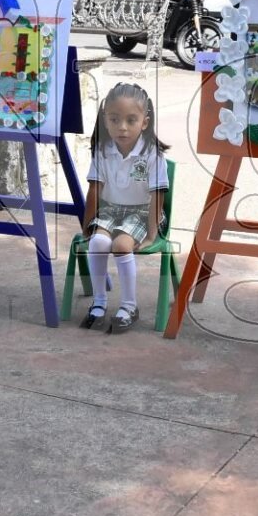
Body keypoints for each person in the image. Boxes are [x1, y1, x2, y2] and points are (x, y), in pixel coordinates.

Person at [80, 82, 169, 334]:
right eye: (115, 119)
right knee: (97, 244)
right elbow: (95, 190)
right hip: (111, 210)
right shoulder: (102, 150)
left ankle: (129, 306)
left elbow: (157, 195)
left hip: (143, 212)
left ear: (145, 122)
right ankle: (99, 303)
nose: (122, 127)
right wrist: (87, 227)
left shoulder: (152, 154)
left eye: (131, 120)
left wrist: (152, 234)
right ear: (105, 120)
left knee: (120, 246)